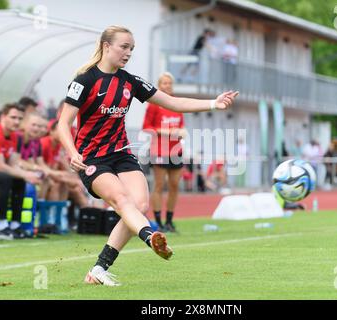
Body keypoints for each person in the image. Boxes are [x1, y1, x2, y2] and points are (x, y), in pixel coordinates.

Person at [58, 25, 238, 286]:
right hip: (92, 158)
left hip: (121, 155)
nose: (128, 52)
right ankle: (149, 236)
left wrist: (213, 103)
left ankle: (98, 269)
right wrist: (72, 152)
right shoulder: (84, 79)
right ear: (107, 46)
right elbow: (63, 124)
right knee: (121, 201)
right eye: (124, 46)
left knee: (139, 206)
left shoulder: (130, 81)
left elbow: (172, 102)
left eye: (132, 48)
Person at [0, 103, 42, 239]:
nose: (17, 121)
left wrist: (26, 175)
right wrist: (26, 174)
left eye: (20, 118)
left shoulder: (15, 136)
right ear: (3, 117)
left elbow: (13, 164)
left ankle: (15, 224)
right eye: (13, 117)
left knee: (19, 179)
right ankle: (1, 225)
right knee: (5, 178)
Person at [142, 72, 186, 233]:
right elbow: (146, 127)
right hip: (159, 149)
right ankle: (158, 221)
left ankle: (169, 221)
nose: (167, 86)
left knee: (174, 185)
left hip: (176, 150)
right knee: (159, 185)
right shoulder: (154, 104)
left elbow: (180, 124)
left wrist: (182, 132)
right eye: (164, 83)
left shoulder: (176, 103)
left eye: (169, 83)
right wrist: (164, 131)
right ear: (159, 85)